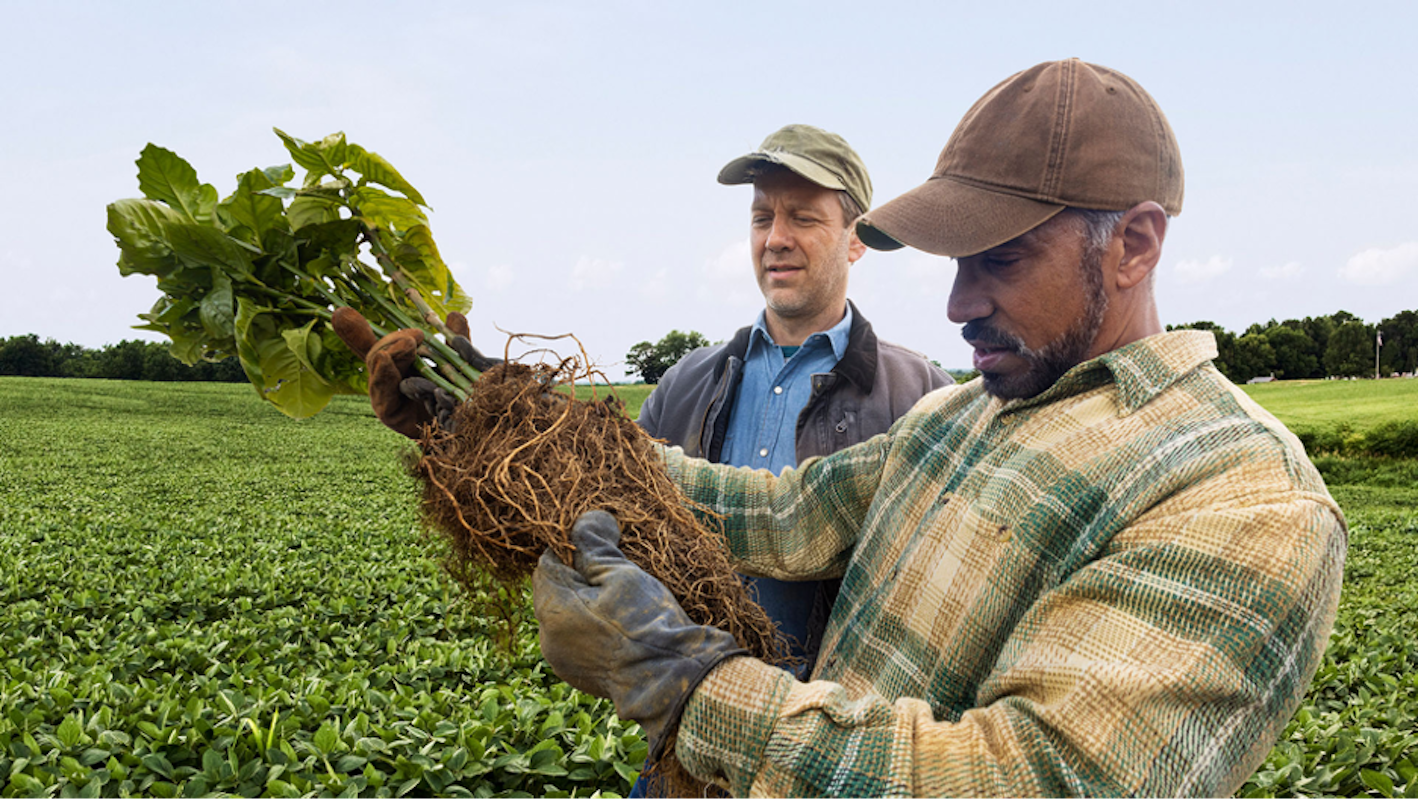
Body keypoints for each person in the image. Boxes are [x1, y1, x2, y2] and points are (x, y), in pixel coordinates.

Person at [532, 59, 1348, 797]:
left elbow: (1029, 778)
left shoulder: (1245, 499)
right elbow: (786, 515)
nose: (959, 305)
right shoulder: (960, 413)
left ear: (1132, 245)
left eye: (1000, 260)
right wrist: (531, 435)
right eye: (957, 264)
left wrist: (682, 681)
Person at [629, 124, 951, 798]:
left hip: (828, 758)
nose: (775, 236)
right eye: (762, 216)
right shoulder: (688, 383)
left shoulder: (920, 394)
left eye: (803, 217)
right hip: (686, 751)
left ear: (856, 238)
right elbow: (604, 506)